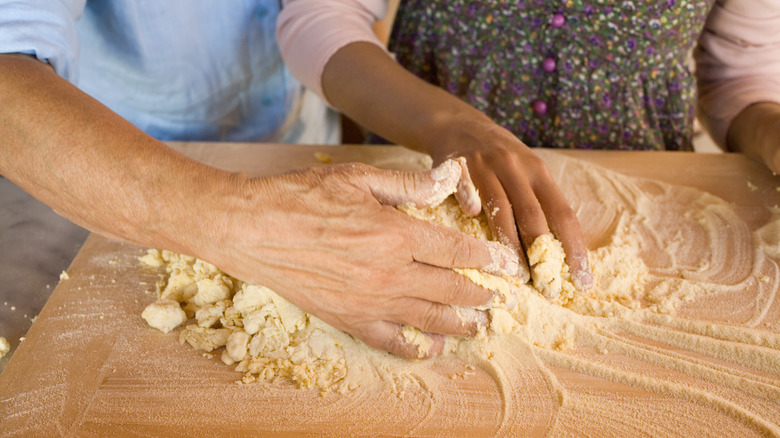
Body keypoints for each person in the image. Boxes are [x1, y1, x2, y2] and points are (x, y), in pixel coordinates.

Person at [0, 1, 522, 359]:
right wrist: (246, 222)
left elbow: (319, 14)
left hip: (290, 143)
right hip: (95, 164)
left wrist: (446, 122)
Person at [277, 0, 780, 293]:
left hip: (649, 225)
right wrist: (450, 127)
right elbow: (320, 18)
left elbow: (739, 72)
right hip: (431, 188)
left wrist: (771, 131)